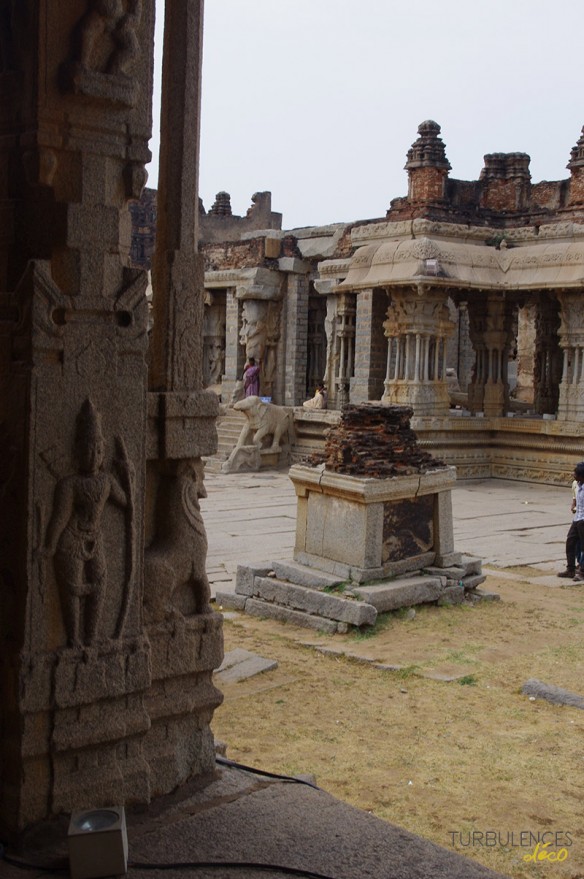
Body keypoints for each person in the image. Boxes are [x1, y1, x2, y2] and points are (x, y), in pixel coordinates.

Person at [558, 461, 584, 580]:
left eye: (575, 474)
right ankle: (570, 569)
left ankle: (582, 572)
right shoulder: (577, 485)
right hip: (577, 518)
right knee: (570, 542)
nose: (573, 475)